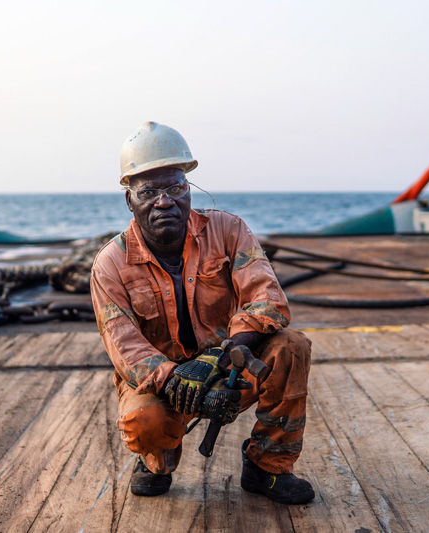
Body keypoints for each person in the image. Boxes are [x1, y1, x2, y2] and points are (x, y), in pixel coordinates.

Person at [90, 122, 314, 505]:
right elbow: (125, 349)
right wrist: (179, 379)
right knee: (145, 423)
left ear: (188, 190)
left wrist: (223, 355)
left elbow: (268, 299)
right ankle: (157, 458)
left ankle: (268, 467)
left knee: (290, 347)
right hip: (165, 381)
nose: (165, 201)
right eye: (149, 192)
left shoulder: (228, 230)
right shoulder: (109, 264)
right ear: (130, 201)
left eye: (176, 188)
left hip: (229, 364)